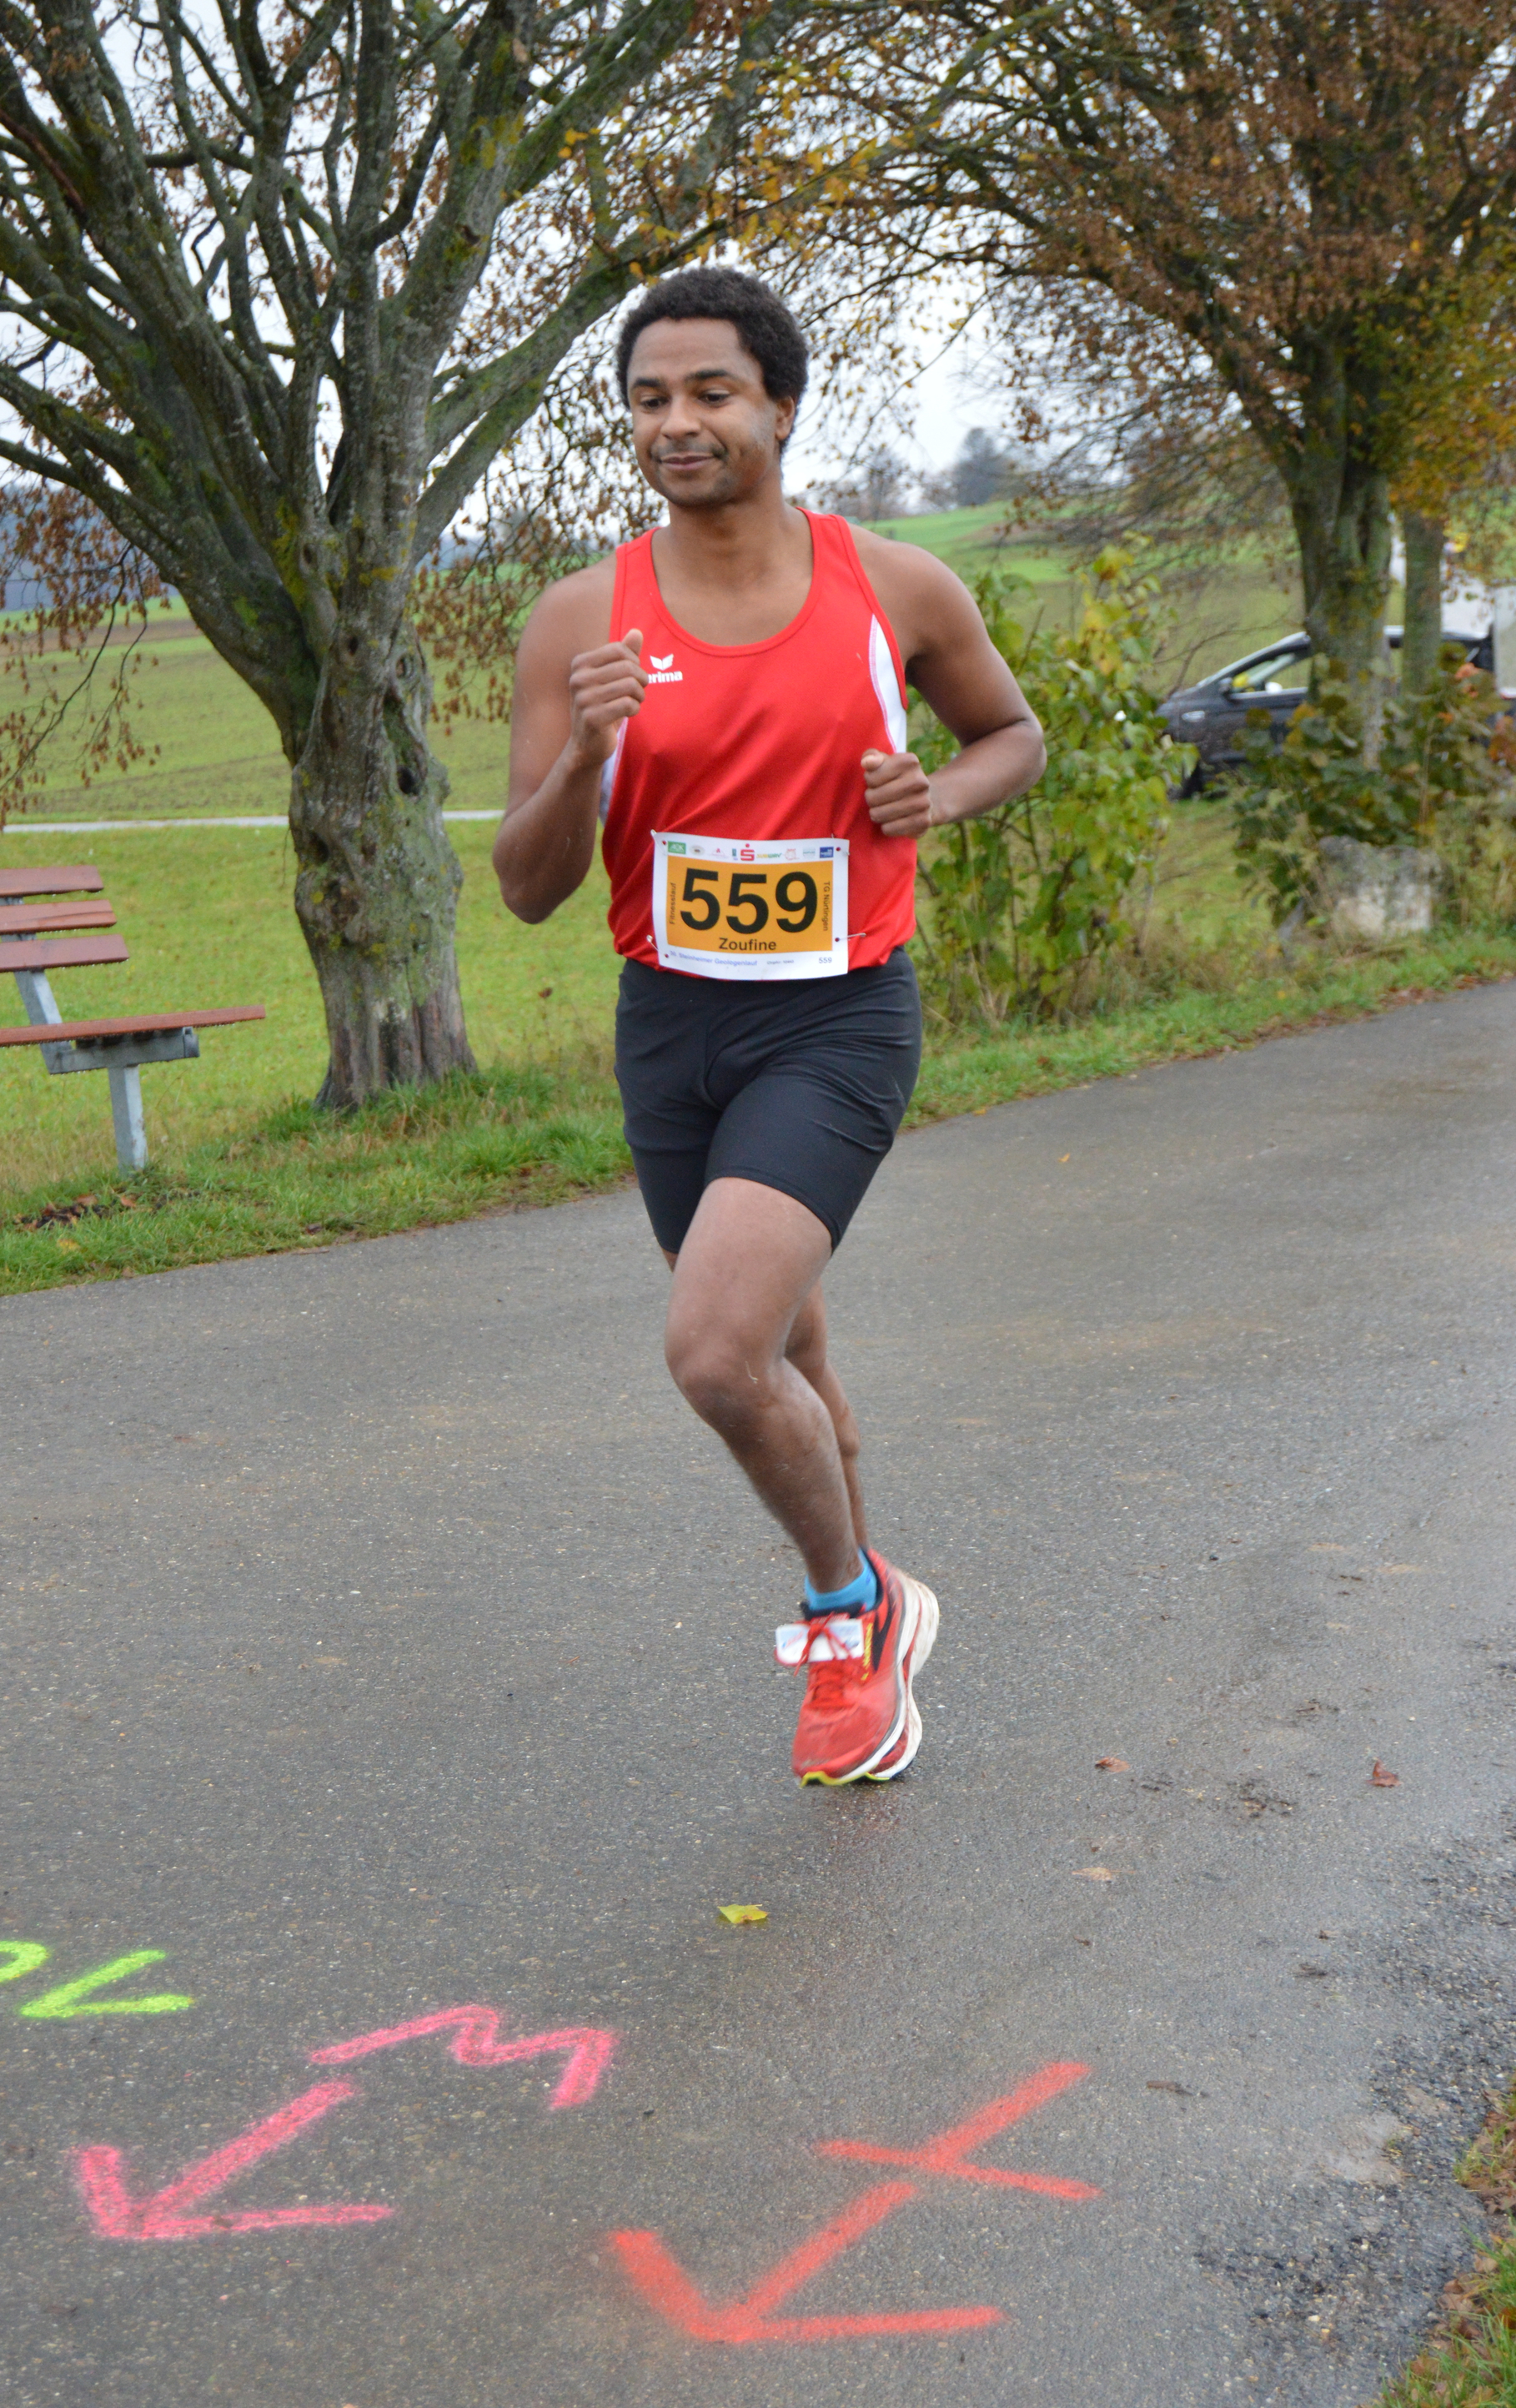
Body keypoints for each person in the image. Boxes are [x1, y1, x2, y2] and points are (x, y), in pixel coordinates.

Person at [496, 268, 1044, 1783]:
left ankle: (847, 1619)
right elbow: (528, 888)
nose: (676, 423)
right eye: (649, 399)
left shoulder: (897, 587)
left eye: (710, 393)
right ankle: (881, 1590)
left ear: (781, 410)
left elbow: (1012, 734)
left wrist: (939, 795)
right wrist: (586, 758)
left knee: (719, 1350)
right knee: (790, 1345)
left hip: (837, 1021)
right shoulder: (579, 621)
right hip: (671, 1029)